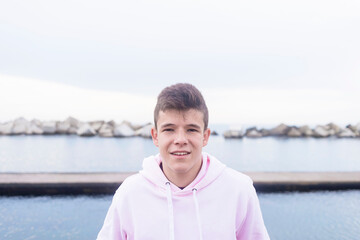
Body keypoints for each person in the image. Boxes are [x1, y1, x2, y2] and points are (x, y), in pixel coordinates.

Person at [97, 83, 270, 240]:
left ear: (205, 136)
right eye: (169, 129)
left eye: (191, 129)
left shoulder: (239, 190)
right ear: (155, 136)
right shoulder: (129, 193)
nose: (180, 139)